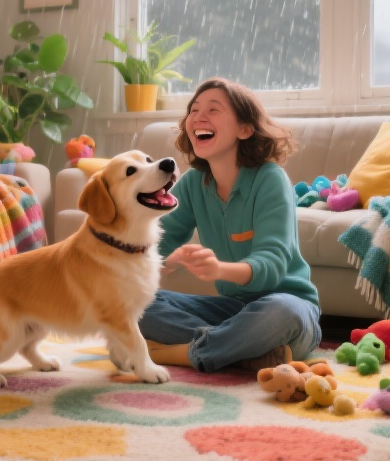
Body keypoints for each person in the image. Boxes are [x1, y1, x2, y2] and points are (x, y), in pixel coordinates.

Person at [134, 77, 321, 372]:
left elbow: (271, 266)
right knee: (133, 303)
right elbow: (152, 243)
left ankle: (182, 354)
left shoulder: (270, 178)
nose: (198, 117)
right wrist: (166, 262)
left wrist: (219, 270)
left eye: (214, 109)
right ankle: (240, 351)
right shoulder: (194, 182)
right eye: (193, 110)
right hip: (233, 311)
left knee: (280, 313)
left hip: (288, 308)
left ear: (245, 129)